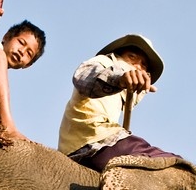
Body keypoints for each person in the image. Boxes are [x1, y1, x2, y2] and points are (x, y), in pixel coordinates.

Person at [58, 33, 178, 170]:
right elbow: (84, 77)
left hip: (103, 145)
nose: (137, 66)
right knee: (173, 164)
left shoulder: (122, 97)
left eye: (143, 65)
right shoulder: (104, 63)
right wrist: (119, 78)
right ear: (118, 56)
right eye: (132, 57)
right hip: (92, 145)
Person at [0, 20, 46, 141]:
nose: (22, 52)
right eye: (21, 42)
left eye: (29, 53)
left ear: (27, 65)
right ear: (6, 37)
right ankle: (8, 126)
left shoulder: (0, 81)